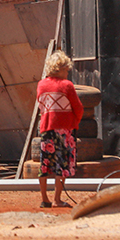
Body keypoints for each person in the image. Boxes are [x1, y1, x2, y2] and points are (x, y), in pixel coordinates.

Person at [36, 50, 83, 208]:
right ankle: (57, 199)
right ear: (61, 68)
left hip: (46, 129)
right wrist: (74, 122)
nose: (67, 73)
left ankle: (44, 199)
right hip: (64, 129)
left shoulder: (41, 85)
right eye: (66, 70)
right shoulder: (67, 85)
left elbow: (42, 106)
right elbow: (78, 108)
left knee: (45, 164)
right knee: (62, 165)